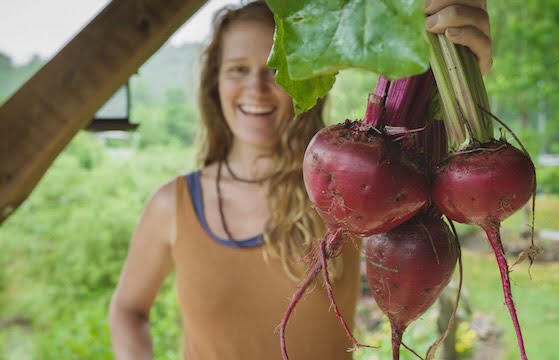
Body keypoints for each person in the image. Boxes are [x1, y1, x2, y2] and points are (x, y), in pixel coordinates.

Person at [108, 1, 493, 359]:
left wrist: (453, 70)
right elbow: (127, 309)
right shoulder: (172, 205)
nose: (256, 88)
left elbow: (422, 206)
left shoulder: (352, 190)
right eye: (239, 69)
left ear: (309, 76)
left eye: (276, 69)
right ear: (214, 83)